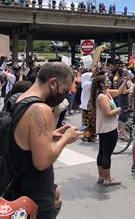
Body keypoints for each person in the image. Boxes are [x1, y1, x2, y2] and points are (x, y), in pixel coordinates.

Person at [12, 62, 82, 218]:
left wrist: (51, 134)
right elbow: (42, 162)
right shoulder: (41, 109)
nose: (63, 95)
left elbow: (24, 138)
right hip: (35, 199)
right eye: (64, 90)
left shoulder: (20, 99)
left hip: (20, 191)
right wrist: (65, 138)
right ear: (53, 83)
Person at [90, 74, 127, 186]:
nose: (109, 81)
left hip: (106, 128)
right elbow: (107, 113)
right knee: (106, 154)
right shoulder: (102, 97)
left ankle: (102, 176)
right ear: (102, 84)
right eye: (106, 80)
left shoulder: (107, 93)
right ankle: (107, 179)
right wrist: (118, 109)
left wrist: (125, 81)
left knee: (102, 152)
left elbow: (119, 91)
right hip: (108, 128)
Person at [80, 71, 95, 142]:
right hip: (87, 105)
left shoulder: (86, 84)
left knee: (90, 122)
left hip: (88, 105)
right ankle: (86, 136)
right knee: (87, 122)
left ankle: (90, 135)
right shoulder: (86, 84)